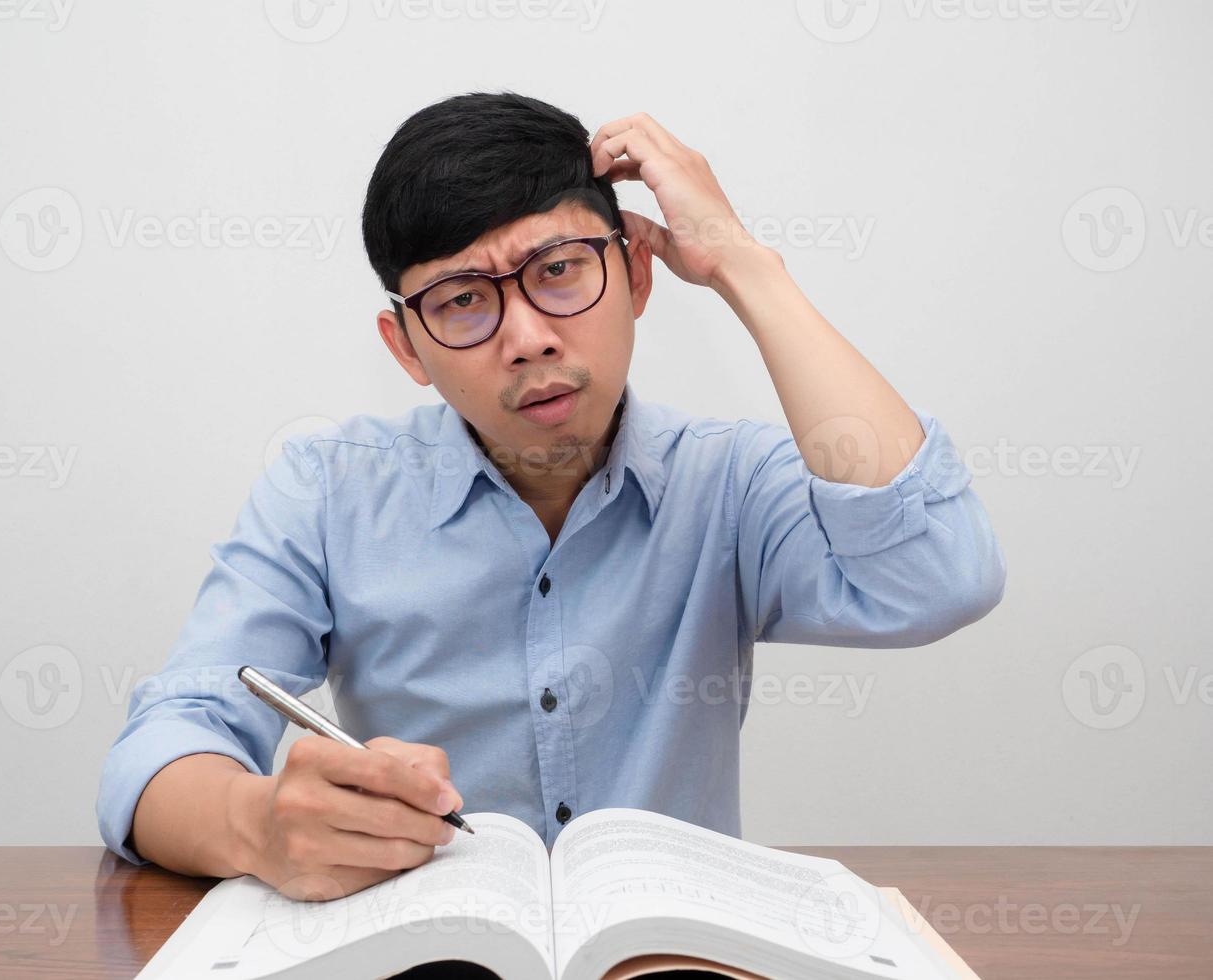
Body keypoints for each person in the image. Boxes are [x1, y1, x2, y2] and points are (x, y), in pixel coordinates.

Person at [96, 91, 1006, 901]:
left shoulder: (729, 484)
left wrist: (743, 266)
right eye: (461, 301)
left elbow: (935, 578)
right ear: (406, 347)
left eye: (560, 269)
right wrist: (260, 824)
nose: (526, 337)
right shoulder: (329, 489)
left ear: (637, 275)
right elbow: (163, 746)